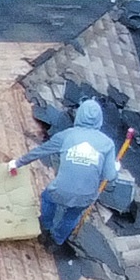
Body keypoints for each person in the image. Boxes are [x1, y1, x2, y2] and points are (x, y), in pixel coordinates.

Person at [13, 101, 122, 252]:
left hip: (61, 190)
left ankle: (45, 226)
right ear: (99, 119)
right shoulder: (107, 144)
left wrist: (17, 163)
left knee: (47, 198)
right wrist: (115, 168)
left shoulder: (66, 136)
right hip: (86, 195)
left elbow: (40, 152)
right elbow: (109, 176)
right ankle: (56, 240)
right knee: (72, 215)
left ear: (80, 115)